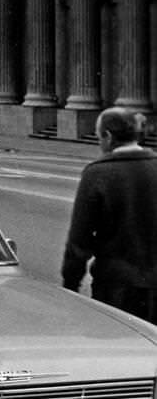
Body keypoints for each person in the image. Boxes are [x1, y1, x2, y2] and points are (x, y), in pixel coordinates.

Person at [62, 109, 157, 324]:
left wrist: (71, 286)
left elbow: (79, 242)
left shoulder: (98, 173)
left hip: (116, 288)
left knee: (116, 349)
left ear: (108, 136)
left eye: (98, 138)